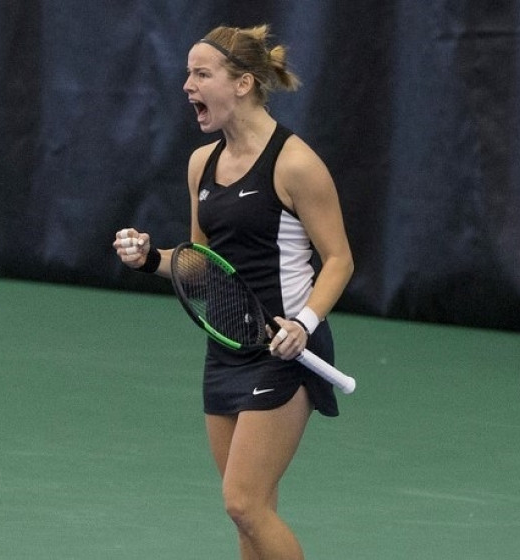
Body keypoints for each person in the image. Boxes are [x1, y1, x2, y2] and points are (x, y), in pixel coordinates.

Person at [113, 24, 353, 560]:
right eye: (187, 74)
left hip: (286, 349)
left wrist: (304, 326)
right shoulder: (202, 163)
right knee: (251, 513)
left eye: (201, 74)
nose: (187, 86)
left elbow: (339, 259)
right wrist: (151, 258)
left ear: (243, 83)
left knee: (244, 504)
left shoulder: (295, 164)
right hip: (226, 346)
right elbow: (202, 264)